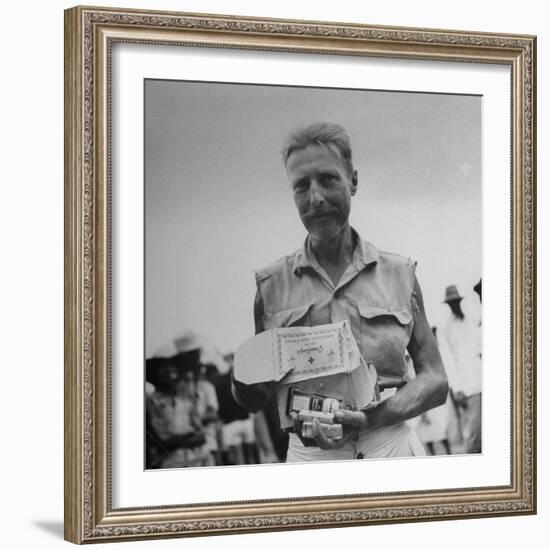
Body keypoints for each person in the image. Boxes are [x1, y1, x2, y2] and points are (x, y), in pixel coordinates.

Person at [232, 122, 448, 462]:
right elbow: (254, 398)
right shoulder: (270, 287)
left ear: (353, 182)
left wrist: (370, 419)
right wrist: (241, 377)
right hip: (309, 458)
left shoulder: (399, 274)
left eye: (328, 179)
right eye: (301, 186)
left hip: (389, 447)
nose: (315, 198)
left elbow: (435, 379)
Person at [440, 284, 482, 454]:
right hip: (468, 387)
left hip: (482, 379)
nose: (455, 305)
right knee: (474, 432)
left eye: (456, 301)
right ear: (448, 305)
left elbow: (479, 349)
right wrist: (456, 389)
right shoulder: (445, 330)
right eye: (452, 303)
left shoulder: (470, 321)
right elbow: (448, 361)